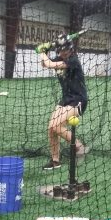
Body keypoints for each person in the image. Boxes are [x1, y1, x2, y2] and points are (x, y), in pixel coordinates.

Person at [38, 34, 89, 170]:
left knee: (56, 126)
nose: (62, 52)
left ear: (70, 49)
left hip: (78, 99)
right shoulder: (61, 57)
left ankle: (79, 147)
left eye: (64, 49)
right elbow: (44, 64)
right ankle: (55, 161)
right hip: (66, 98)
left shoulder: (73, 60)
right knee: (51, 128)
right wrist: (45, 51)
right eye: (60, 50)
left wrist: (42, 51)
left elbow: (49, 64)